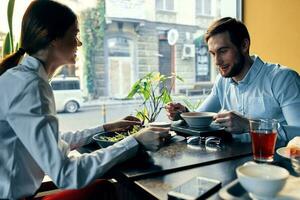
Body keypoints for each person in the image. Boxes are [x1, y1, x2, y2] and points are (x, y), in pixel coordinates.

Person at [0, 1, 170, 199]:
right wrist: (135, 141)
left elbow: (52, 142)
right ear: (52, 38)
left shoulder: (23, 78)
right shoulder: (30, 86)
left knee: (103, 188)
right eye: (74, 35)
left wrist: (105, 128)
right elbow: (66, 174)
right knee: (105, 190)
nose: (79, 43)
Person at [166, 17, 300, 138]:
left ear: (244, 45)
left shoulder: (283, 79)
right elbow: (202, 116)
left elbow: (298, 133)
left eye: (223, 51)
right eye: (213, 54)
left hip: (276, 163)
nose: (217, 61)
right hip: (232, 161)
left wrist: (249, 126)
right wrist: (184, 114)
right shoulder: (222, 81)